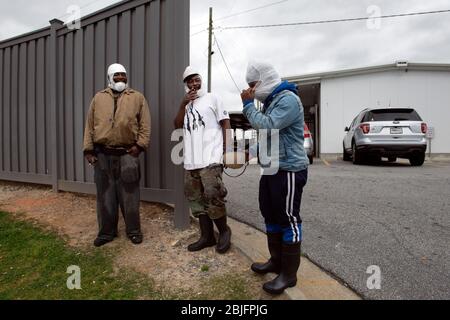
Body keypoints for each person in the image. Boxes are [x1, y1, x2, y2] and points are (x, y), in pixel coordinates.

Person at [240, 61, 308, 294]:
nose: (251, 90)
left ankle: (289, 275)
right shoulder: (271, 102)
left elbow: (268, 127)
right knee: (269, 213)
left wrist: (248, 105)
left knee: (288, 218)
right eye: (248, 86)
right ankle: (276, 262)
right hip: (271, 169)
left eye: (252, 85)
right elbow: (268, 138)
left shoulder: (287, 99)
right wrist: (247, 153)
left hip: (288, 169)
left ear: (264, 79)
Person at [83, 63, 151, 247]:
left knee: (130, 195)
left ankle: (134, 231)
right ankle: (106, 232)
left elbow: (145, 125)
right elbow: (90, 125)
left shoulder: (137, 97)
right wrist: (88, 151)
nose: (121, 78)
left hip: (128, 154)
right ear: (109, 77)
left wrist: (140, 146)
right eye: (117, 75)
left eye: (124, 75)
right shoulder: (98, 98)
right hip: (102, 155)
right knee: (105, 195)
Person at [173, 66, 232, 254]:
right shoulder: (187, 104)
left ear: (201, 80)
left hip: (211, 157)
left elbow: (225, 122)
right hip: (192, 160)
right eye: (189, 81)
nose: (193, 84)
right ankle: (207, 237)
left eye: (196, 79)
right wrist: (183, 104)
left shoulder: (213, 98)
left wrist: (228, 150)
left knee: (213, 195)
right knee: (195, 199)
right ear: (185, 85)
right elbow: (177, 126)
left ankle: (224, 231)